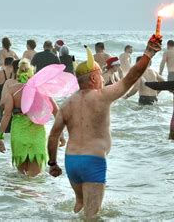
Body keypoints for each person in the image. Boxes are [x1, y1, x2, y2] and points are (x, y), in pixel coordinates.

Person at [47, 35, 162, 219]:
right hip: (92, 161)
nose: (102, 78)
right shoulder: (102, 95)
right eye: (100, 75)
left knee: (81, 206)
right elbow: (131, 78)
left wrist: (52, 163)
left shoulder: (67, 104)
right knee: (92, 216)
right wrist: (149, 53)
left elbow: (53, 136)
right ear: (93, 77)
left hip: (71, 162)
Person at [0, 58, 58, 177]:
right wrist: (59, 134)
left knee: (21, 176)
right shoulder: (41, 89)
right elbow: (56, 111)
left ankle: (19, 195)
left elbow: (7, 114)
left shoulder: (12, 90)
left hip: (19, 133)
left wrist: (0, 137)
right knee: (36, 177)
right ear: (32, 73)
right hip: (37, 134)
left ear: (18, 73)